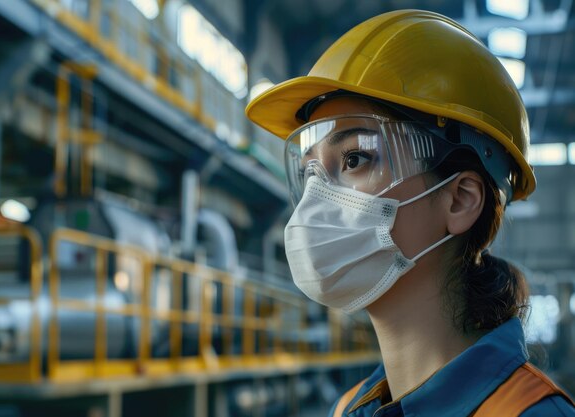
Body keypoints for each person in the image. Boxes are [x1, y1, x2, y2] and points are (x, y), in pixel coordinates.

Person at [245, 9, 575, 417]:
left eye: (354, 159)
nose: (316, 200)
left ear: (460, 200)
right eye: (307, 171)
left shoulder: (529, 414)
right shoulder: (350, 409)